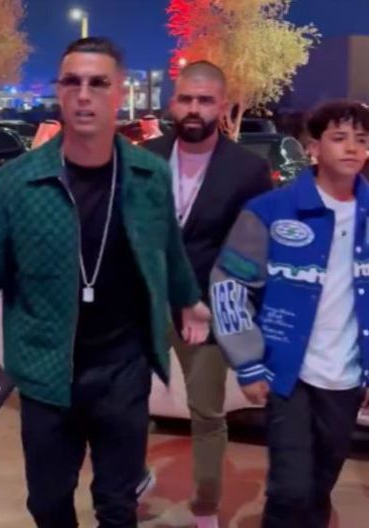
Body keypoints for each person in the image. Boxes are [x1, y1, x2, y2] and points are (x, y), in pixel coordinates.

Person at [0, 37, 211, 528]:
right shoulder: (15, 183)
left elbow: (169, 252)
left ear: (120, 93)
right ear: (59, 92)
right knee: (47, 503)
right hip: (45, 370)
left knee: (117, 504)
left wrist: (189, 301)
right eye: (72, 82)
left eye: (98, 83)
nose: (84, 95)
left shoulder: (149, 175)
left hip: (123, 369)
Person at [210, 100, 369, 528]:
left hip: (346, 379)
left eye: (361, 140)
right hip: (287, 375)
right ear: (313, 148)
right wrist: (247, 362)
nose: (351, 148)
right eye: (339, 138)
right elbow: (229, 286)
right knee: (290, 489)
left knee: (319, 488)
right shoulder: (269, 210)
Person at [141, 60, 272, 528]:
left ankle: (206, 509)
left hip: (208, 310)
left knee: (207, 415)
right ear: (172, 102)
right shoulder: (144, 158)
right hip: (144, 306)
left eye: (205, 100)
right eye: (186, 99)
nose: (194, 109)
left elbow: (250, 254)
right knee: (122, 403)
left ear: (222, 105)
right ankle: (126, 483)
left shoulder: (248, 170)